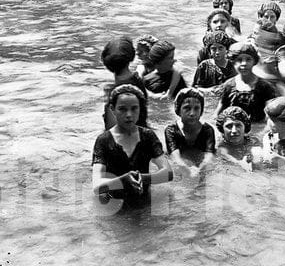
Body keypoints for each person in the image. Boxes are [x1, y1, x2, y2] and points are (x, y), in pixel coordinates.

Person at [91, 84, 172, 213]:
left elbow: (168, 173)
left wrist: (143, 178)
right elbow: (96, 187)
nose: (129, 114)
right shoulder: (104, 140)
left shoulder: (148, 136)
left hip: (144, 202)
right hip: (114, 206)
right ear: (112, 109)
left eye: (134, 109)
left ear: (140, 109)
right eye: (122, 109)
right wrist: (123, 180)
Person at [215, 42, 279, 125]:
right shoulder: (228, 86)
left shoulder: (265, 87)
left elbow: (271, 117)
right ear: (233, 62)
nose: (244, 64)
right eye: (239, 60)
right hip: (235, 128)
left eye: (248, 59)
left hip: (257, 126)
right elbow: (218, 114)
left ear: (254, 61)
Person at [164, 88, 215, 176]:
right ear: (178, 110)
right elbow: (175, 158)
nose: (192, 113)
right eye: (187, 108)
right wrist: (187, 169)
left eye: (196, 108)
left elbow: (209, 157)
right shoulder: (171, 130)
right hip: (182, 160)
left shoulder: (208, 130)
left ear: (201, 111)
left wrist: (200, 169)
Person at [100, 37, 149, 130]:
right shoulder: (138, 81)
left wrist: (107, 102)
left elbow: (112, 131)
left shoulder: (114, 93)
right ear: (131, 56)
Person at [215, 106, 258, 172]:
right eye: (229, 126)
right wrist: (240, 163)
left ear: (245, 127)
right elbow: (224, 155)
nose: (234, 130)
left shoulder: (254, 141)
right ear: (222, 129)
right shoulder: (219, 146)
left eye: (238, 125)